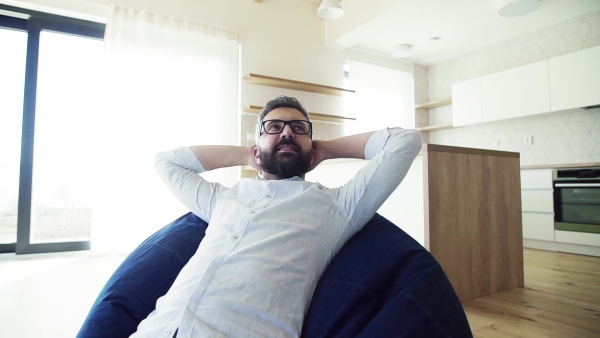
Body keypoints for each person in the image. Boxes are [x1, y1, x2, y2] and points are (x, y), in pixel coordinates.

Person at [132, 95, 422, 337]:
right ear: (258, 145)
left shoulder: (338, 206)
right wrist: (246, 154)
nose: (287, 133)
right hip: (157, 329)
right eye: (273, 127)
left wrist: (327, 149)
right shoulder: (223, 199)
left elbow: (405, 140)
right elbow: (166, 161)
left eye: (298, 128)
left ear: (312, 148)